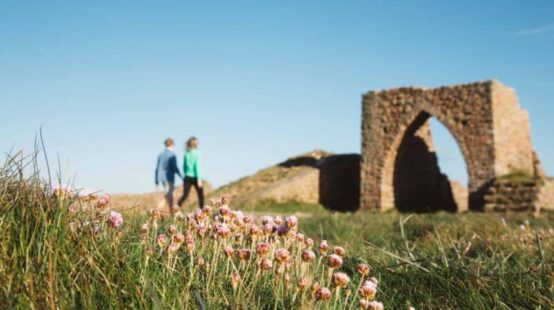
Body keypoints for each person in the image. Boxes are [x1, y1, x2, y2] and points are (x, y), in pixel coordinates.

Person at [155, 138, 182, 209]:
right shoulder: (172, 155)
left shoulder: (161, 154)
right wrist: (181, 176)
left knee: (170, 195)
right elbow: (174, 167)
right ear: (173, 144)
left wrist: (156, 181)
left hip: (161, 178)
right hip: (169, 177)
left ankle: (171, 213)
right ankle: (157, 209)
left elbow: (157, 168)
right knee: (168, 195)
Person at [177, 136, 205, 208]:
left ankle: (176, 208)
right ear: (195, 144)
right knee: (200, 195)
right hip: (196, 177)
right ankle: (202, 212)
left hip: (187, 177)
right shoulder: (197, 153)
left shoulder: (186, 154)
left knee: (185, 194)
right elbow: (197, 166)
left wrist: (186, 174)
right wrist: (199, 179)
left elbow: (184, 166)